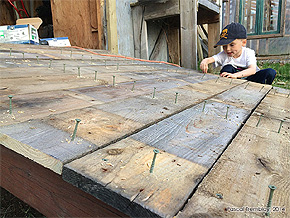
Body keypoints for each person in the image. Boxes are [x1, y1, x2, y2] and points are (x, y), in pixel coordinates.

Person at [200, 22, 276, 85]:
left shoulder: (248, 53)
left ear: (243, 42)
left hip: (251, 80)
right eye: (224, 46)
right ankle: (226, 85)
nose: (228, 49)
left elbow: (252, 70)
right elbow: (212, 58)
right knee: (228, 67)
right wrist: (205, 61)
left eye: (232, 45)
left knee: (270, 72)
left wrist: (235, 75)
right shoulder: (224, 54)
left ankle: (263, 88)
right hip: (234, 82)